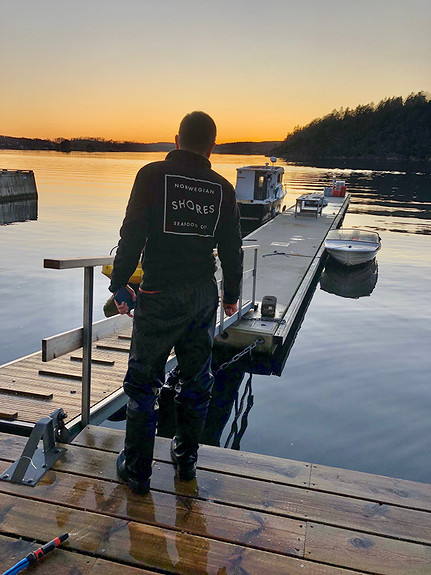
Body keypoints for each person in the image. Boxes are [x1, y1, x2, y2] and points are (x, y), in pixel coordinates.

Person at [109, 111, 243, 494]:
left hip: (159, 293)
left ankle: (137, 469)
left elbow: (132, 231)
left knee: (142, 383)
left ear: (176, 140)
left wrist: (119, 283)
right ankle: (185, 461)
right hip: (202, 294)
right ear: (212, 147)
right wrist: (230, 295)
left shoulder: (151, 176)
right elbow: (232, 248)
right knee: (197, 380)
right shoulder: (222, 188)